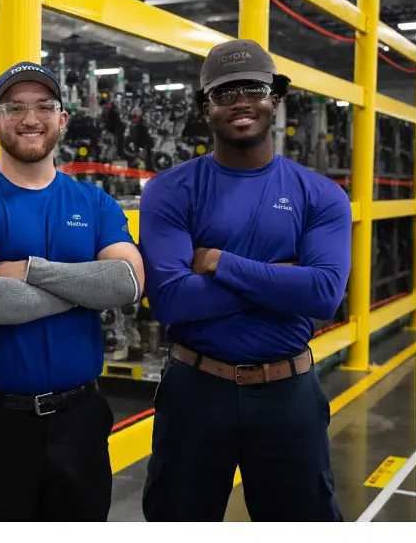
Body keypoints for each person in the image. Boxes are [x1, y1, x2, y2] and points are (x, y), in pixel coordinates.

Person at [138, 39, 351, 522]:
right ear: (206, 108)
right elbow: (172, 301)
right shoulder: (171, 190)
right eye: (223, 92)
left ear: (274, 98)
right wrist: (280, 280)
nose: (240, 102)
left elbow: (323, 295)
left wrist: (219, 262)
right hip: (195, 391)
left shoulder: (320, 194)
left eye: (253, 88)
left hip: (287, 395)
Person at [0, 61, 145, 521]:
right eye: (15, 107)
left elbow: (125, 284)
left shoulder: (94, 203)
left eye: (44, 106)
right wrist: (86, 287)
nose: (31, 119)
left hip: (81, 421)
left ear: (62, 119)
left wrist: (29, 269)